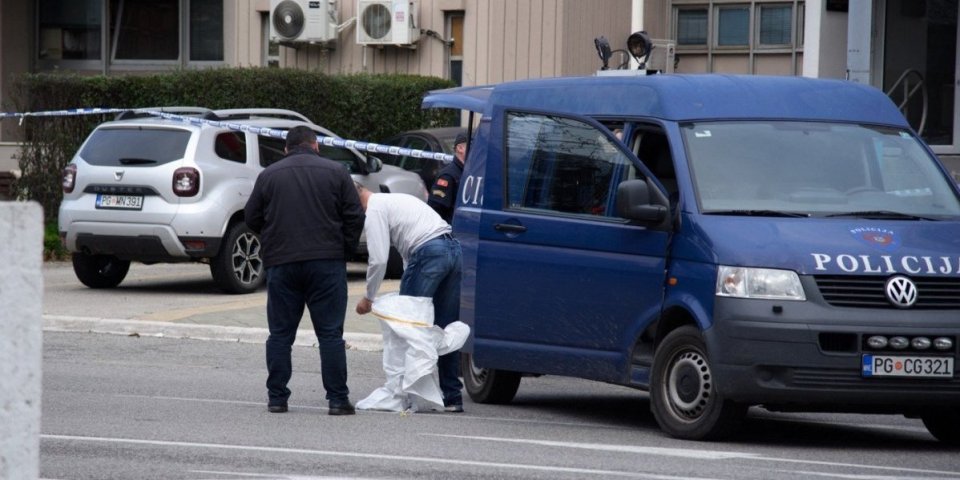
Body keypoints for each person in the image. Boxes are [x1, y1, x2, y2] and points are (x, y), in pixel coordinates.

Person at [244, 126, 365, 416]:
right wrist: (344, 251)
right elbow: (355, 216)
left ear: (286, 149)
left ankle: (277, 398)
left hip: (282, 263)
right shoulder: (336, 172)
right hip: (326, 263)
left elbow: (251, 218)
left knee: (280, 334)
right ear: (316, 146)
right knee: (330, 335)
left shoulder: (269, 175)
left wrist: (273, 240)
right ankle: (337, 400)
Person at [353, 183, 465, 412]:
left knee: (406, 327)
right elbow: (409, 255)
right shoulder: (394, 200)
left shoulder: (374, 209)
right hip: (452, 250)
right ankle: (452, 397)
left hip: (429, 254)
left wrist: (368, 297)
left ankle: (401, 395)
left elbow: (379, 259)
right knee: (443, 326)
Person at [427, 131, 468, 224]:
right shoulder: (448, 176)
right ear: (460, 148)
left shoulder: (469, 172)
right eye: (472, 146)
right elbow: (435, 210)